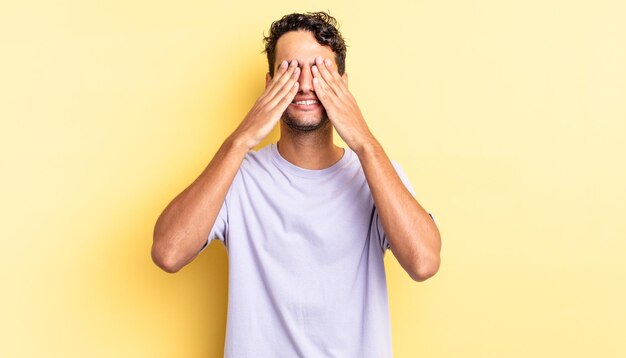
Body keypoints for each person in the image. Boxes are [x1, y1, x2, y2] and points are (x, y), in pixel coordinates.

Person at [152, 11, 441, 357]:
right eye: (290, 70)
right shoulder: (237, 177)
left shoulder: (376, 173)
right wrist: (241, 139)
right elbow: (168, 253)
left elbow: (424, 262)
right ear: (269, 83)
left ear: (343, 85)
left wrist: (364, 142)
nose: (305, 85)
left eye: (320, 70)